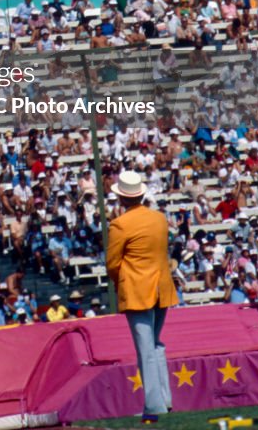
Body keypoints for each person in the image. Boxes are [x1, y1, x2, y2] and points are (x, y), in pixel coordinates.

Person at [106, 171, 178, 425]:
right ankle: (165, 400)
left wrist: (121, 283)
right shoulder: (159, 219)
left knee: (146, 348)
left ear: (121, 198)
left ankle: (154, 405)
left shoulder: (119, 224)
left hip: (137, 290)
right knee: (156, 345)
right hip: (162, 287)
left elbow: (112, 264)